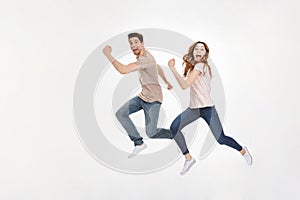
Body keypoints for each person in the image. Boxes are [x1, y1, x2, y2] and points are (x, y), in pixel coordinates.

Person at [168, 41, 253, 175]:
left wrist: (172, 68)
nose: (199, 51)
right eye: (197, 48)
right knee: (174, 128)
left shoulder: (201, 66)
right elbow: (186, 83)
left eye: (202, 49)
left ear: (205, 54)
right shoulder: (193, 67)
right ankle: (188, 159)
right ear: (193, 52)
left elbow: (185, 85)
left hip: (208, 110)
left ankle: (243, 150)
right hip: (194, 109)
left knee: (221, 139)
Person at [102, 32, 173, 158]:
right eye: (130, 43)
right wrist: (166, 81)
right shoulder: (145, 57)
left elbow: (123, 70)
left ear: (142, 43)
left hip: (153, 100)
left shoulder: (146, 58)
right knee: (121, 113)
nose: (133, 45)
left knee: (151, 133)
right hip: (142, 96)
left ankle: (176, 135)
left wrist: (108, 55)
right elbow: (157, 67)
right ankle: (139, 144)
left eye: (136, 42)